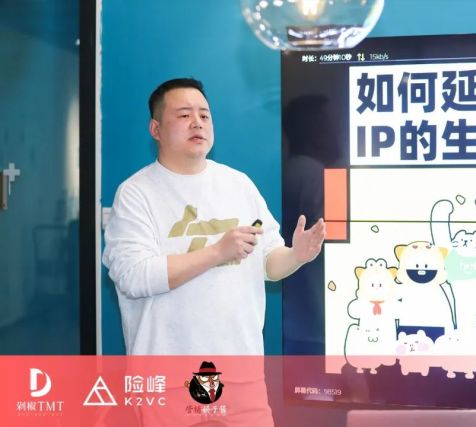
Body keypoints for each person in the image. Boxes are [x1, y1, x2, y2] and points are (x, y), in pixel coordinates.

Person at [103, 77, 325, 356]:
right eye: (184, 115)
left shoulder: (239, 184)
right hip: (167, 368)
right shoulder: (136, 193)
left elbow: (268, 262)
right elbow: (134, 277)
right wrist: (218, 252)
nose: (197, 123)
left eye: (204, 116)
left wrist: (296, 256)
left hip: (240, 365)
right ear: (155, 129)